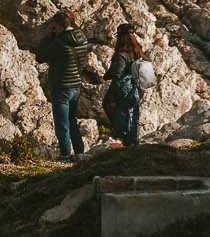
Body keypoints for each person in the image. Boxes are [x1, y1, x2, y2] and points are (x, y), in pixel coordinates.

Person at [34, 9, 90, 160]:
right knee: (72, 121)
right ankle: (79, 152)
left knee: (62, 124)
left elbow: (40, 56)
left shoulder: (59, 43)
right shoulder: (82, 38)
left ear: (58, 26)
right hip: (76, 86)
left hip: (62, 87)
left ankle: (66, 155)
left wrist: (46, 38)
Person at [103, 24, 145, 146]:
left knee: (112, 108)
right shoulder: (138, 52)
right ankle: (133, 142)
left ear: (120, 37)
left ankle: (126, 139)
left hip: (123, 91)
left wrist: (112, 99)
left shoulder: (121, 54)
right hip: (136, 88)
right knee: (133, 115)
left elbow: (117, 76)